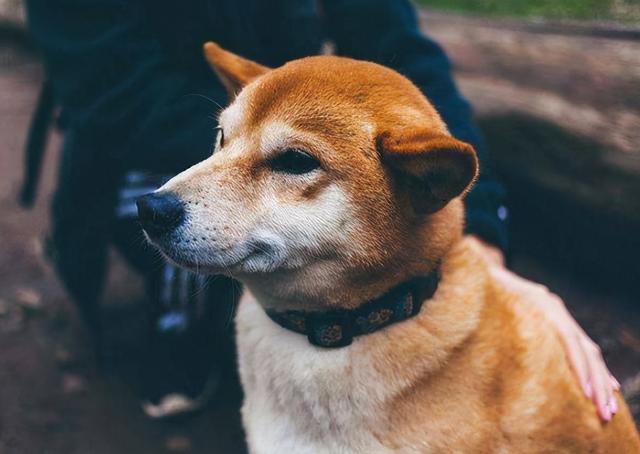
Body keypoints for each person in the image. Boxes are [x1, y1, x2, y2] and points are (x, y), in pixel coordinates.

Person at [23, 0, 618, 421]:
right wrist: (265, 133)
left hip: (276, 116)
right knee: (178, 222)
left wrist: (482, 237)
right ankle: (178, 320)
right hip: (137, 141)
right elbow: (118, 98)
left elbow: (403, 54)